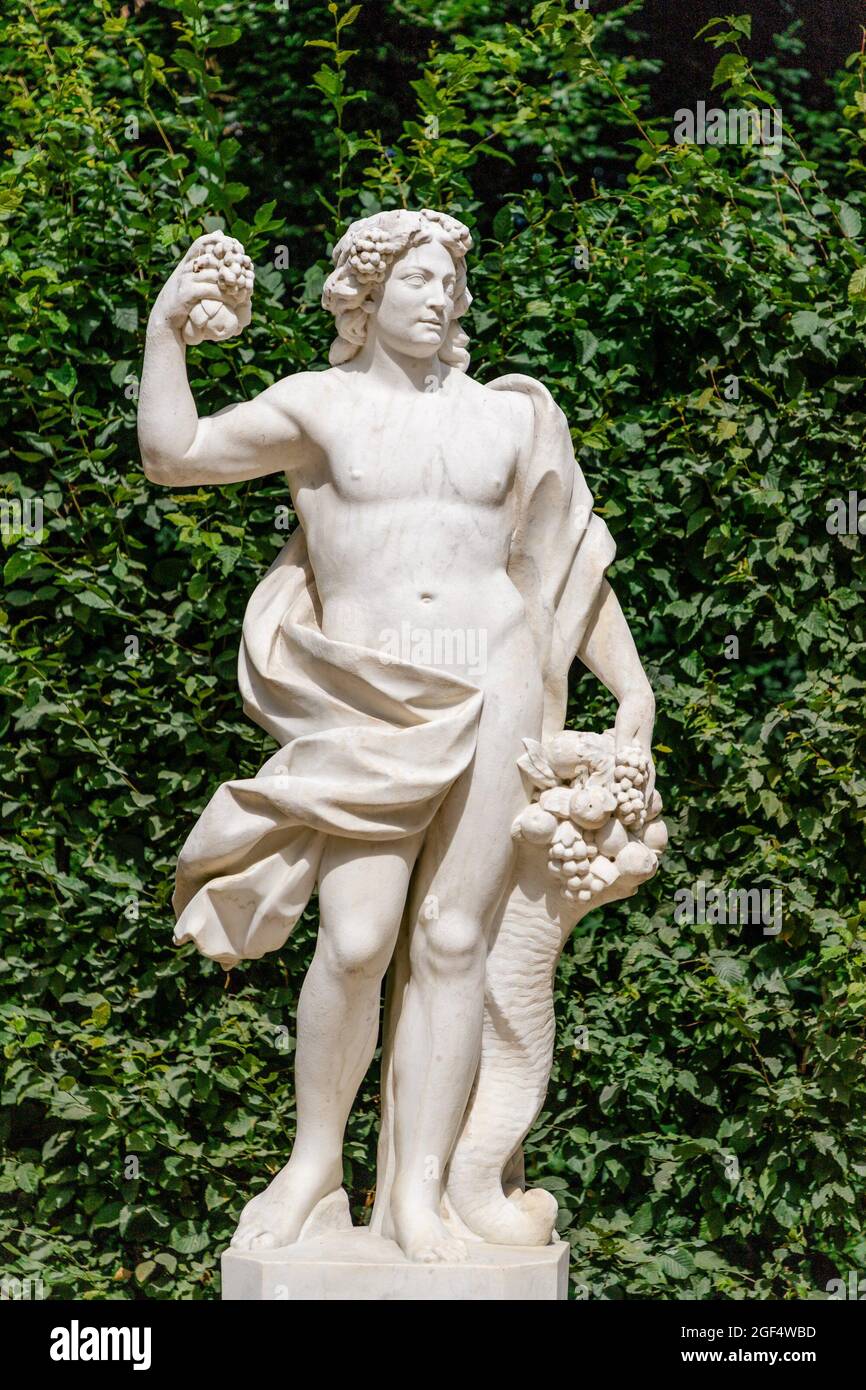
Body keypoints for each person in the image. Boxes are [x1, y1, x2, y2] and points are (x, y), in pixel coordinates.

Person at [138, 208, 655, 1263]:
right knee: (358, 936)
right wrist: (166, 332)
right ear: (361, 295)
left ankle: (415, 1192)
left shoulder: (511, 418)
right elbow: (174, 454)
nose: (438, 295)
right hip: (368, 697)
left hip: (496, 683)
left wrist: (633, 694)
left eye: (448, 281)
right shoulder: (317, 408)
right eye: (414, 278)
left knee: (453, 940)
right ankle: (314, 1160)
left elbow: (566, 566)